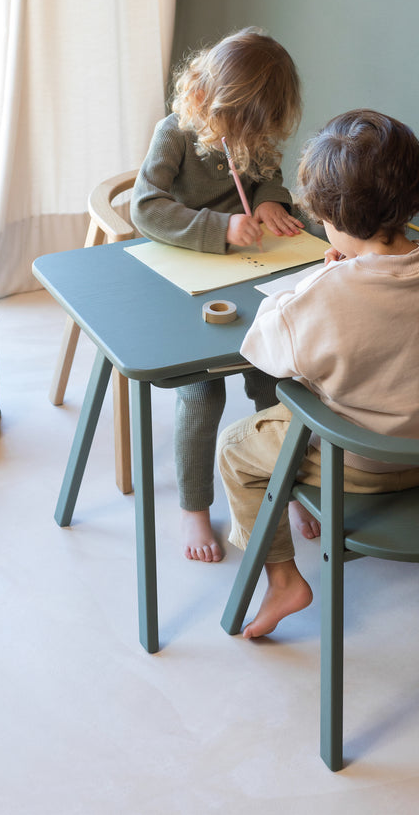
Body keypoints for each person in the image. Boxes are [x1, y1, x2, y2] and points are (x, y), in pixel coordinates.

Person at [217, 109, 419, 637]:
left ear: (330, 218)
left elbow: (264, 347)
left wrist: (319, 284)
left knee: (235, 448)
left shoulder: (328, 296)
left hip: (365, 464)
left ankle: (283, 580)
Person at [130, 27, 304, 563]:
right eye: (242, 123)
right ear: (209, 97)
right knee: (201, 394)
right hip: (187, 275)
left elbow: (268, 173)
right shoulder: (176, 132)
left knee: (272, 373)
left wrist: (273, 201)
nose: (252, 136)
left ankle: (284, 485)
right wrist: (219, 229)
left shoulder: (253, 134)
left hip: (247, 274)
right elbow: (145, 207)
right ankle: (195, 507)